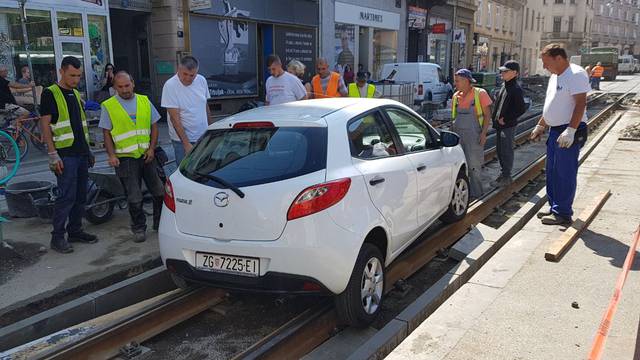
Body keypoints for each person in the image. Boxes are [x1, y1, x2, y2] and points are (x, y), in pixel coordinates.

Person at [39, 56, 97, 254]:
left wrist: (88, 150)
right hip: (65, 155)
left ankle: (75, 230)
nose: (75, 80)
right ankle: (57, 237)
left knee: (81, 195)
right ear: (61, 71)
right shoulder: (50, 93)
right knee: (66, 197)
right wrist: (52, 154)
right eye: (72, 75)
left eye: (79, 76)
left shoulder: (74, 93)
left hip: (80, 153)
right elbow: (45, 125)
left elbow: (80, 126)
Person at [100, 72, 164, 242]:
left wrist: (152, 149)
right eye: (120, 87)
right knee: (134, 196)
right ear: (115, 88)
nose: (124, 90)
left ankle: (159, 223)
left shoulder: (144, 101)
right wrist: (112, 155)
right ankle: (138, 228)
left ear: (133, 83)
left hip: (146, 155)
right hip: (125, 158)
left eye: (127, 86)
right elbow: (106, 133)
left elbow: (154, 127)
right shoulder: (109, 105)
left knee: (159, 191)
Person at [530, 44, 589, 225]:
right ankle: (554, 205)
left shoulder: (575, 74)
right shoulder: (555, 76)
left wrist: (570, 130)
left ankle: (563, 213)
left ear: (559, 58)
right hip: (555, 129)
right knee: (553, 171)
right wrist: (541, 124)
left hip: (569, 129)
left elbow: (580, 104)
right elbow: (553, 104)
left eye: (547, 63)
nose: (545, 67)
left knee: (564, 172)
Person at [450, 69, 492, 199]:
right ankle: (464, 194)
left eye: (457, 81)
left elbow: (487, 115)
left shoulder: (480, 94)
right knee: (459, 167)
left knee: (474, 166)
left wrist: (484, 133)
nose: (455, 83)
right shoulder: (455, 96)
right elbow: (454, 117)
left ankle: (477, 194)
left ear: (466, 81)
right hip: (458, 136)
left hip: (474, 136)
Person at [161, 56, 211, 165]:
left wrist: (211, 130)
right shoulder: (170, 86)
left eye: (192, 75)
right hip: (182, 140)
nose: (188, 78)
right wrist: (186, 144)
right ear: (178, 69)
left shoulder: (201, 80)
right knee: (185, 173)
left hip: (203, 135)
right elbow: (175, 119)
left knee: (204, 168)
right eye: (184, 74)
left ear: (197, 72)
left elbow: (205, 106)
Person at [491, 60, 527, 187]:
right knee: (500, 150)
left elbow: (521, 108)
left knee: (506, 150)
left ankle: (506, 176)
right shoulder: (505, 85)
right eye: (502, 71)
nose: (502, 73)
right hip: (500, 125)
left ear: (515, 73)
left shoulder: (515, 89)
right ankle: (504, 174)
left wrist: (506, 119)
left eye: (506, 71)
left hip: (507, 126)